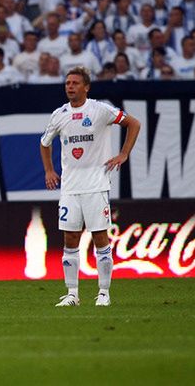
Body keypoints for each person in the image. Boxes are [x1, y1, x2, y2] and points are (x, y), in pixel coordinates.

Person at [40, 66, 140, 307]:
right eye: (67, 83)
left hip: (96, 185)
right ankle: (72, 293)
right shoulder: (59, 114)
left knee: (100, 237)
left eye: (75, 83)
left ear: (86, 87)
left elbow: (134, 124)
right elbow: (44, 143)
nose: (70, 87)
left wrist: (123, 153)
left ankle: (103, 292)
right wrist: (49, 170)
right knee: (70, 238)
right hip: (70, 188)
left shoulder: (100, 110)